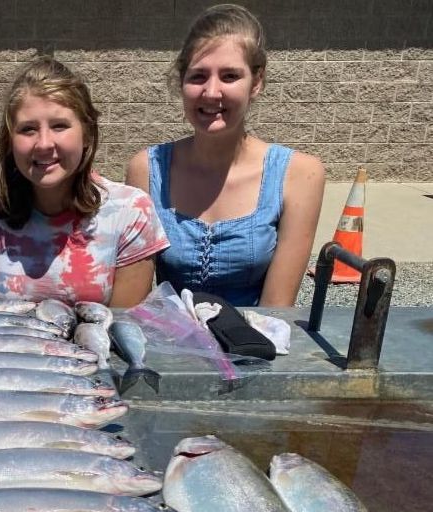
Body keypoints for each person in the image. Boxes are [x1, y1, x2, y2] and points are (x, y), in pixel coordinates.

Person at [125, 4, 325, 306]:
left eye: (230, 76)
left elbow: (276, 309)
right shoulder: (147, 169)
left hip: (252, 344)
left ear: (255, 82)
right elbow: (134, 299)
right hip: (170, 343)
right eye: (198, 76)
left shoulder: (299, 174)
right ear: (181, 82)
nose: (211, 92)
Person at [0, 57, 168, 306]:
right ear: (10, 140)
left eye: (59, 126)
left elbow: (122, 329)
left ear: (86, 133)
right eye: (28, 129)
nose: (44, 144)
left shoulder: (131, 212)